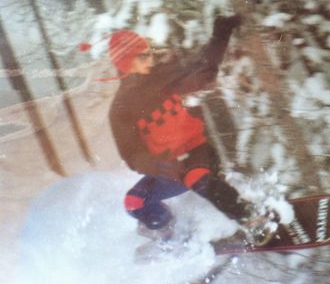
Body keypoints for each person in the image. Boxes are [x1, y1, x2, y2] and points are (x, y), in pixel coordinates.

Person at [107, 15, 254, 239]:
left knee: (196, 177)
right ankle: (173, 234)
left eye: (149, 53)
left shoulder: (162, 77)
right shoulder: (120, 109)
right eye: (143, 56)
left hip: (197, 152)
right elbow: (131, 154)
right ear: (126, 62)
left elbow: (204, 66)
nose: (150, 60)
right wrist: (156, 164)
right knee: (133, 203)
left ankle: (250, 217)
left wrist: (221, 33)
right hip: (169, 168)